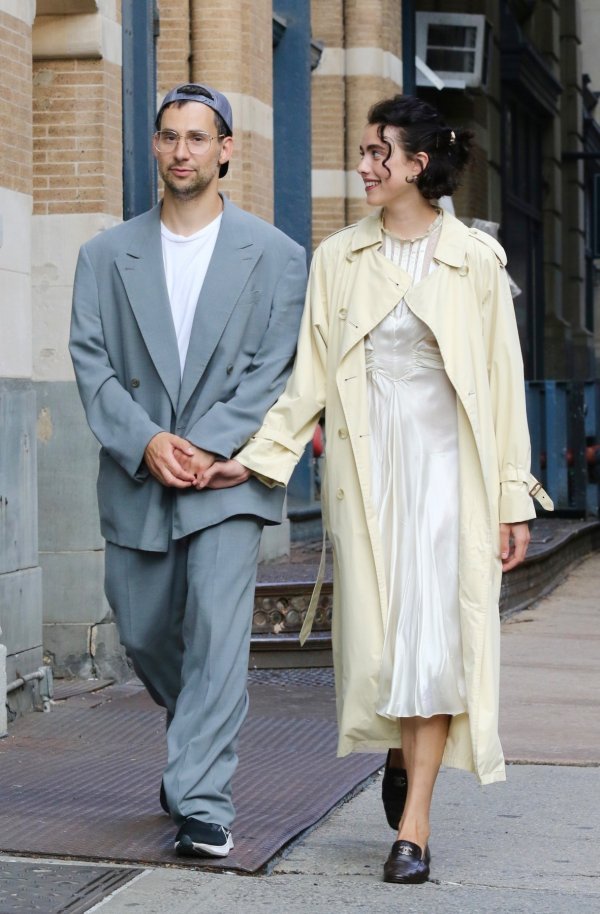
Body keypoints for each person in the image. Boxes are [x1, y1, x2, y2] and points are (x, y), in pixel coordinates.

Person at [199, 95, 553, 883]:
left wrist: (510, 497)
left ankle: (415, 827)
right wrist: (255, 457)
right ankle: (401, 749)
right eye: (363, 152)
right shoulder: (339, 260)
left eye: (376, 153)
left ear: (417, 165)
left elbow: (503, 383)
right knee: (383, 646)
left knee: (437, 642)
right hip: (369, 480)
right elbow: (309, 381)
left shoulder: (475, 262)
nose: (363, 166)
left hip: (448, 483)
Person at [69, 83, 306, 859]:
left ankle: (202, 798)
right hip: (139, 471)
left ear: (226, 149)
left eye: (198, 138)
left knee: (215, 635)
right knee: (141, 628)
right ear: (156, 146)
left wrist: (206, 445)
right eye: (169, 137)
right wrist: (143, 441)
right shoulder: (104, 255)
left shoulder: (275, 256)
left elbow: (275, 368)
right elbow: (92, 364)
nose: (181, 152)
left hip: (228, 480)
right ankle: (196, 741)